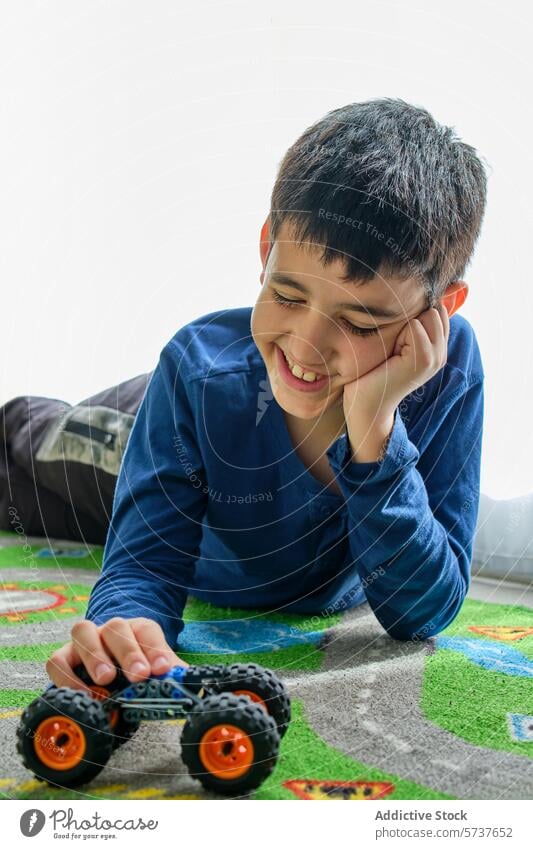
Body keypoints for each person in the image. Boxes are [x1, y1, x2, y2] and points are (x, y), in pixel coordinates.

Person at [2, 98, 487, 692]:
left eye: (361, 324)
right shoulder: (195, 371)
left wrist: (376, 431)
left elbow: (423, 611)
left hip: (220, 420)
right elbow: (144, 563)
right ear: (266, 250)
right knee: (24, 445)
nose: (307, 349)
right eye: (286, 294)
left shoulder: (451, 370)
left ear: (440, 311)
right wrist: (123, 630)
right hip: (142, 425)